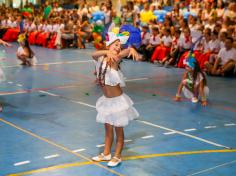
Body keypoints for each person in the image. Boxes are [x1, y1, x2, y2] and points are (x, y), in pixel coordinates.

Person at [91, 32, 140, 167]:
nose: (118, 47)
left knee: (119, 131)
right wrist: (107, 51)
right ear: (109, 45)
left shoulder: (115, 59)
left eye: (120, 45)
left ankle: (117, 156)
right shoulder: (100, 60)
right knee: (108, 130)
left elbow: (125, 52)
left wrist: (130, 49)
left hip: (118, 102)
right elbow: (93, 55)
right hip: (106, 102)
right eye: (116, 45)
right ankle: (106, 153)